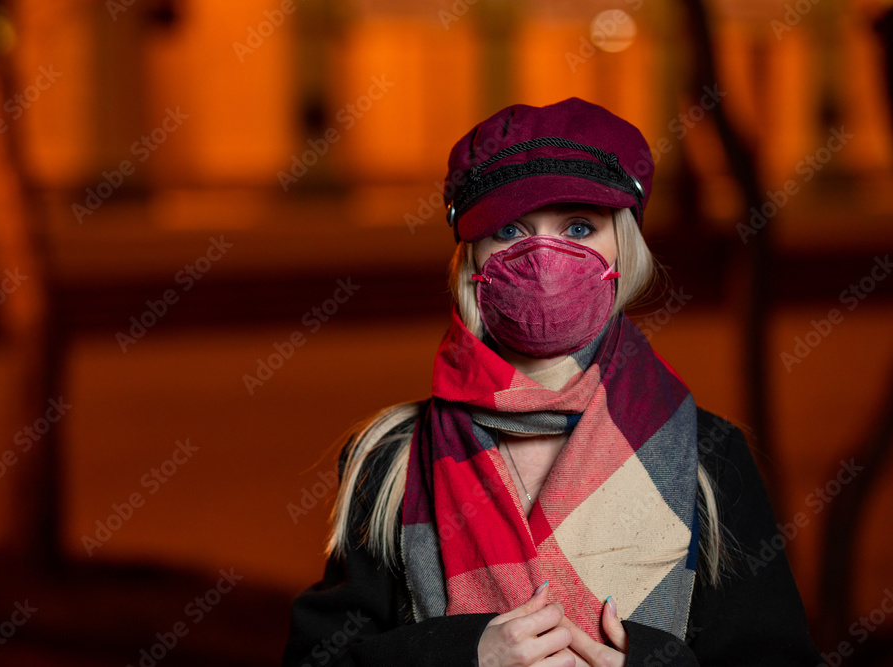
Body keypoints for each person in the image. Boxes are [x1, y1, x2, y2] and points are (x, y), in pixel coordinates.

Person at [282, 98, 820, 666]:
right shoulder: (392, 461)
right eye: (509, 229)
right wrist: (463, 655)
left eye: (580, 227)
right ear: (472, 259)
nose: (543, 256)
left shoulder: (710, 458)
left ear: (624, 250)